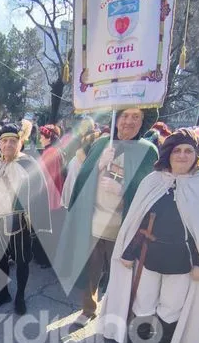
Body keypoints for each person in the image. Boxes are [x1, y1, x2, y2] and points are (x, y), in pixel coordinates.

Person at [99, 129, 199, 343]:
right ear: (168, 153)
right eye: (177, 150)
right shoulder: (153, 180)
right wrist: (128, 253)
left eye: (188, 151)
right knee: (143, 302)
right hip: (149, 256)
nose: (182, 156)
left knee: (171, 307)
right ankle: (139, 342)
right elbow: (138, 221)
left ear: (196, 155)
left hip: (181, 261)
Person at [55, 107, 159, 327]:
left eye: (136, 117)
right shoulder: (102, 144)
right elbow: (82, 180)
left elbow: (151, 191)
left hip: (123, 228)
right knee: (91, 270)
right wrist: (100, 164)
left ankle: (120, 316)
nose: (129, 121)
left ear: (143, 122)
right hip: (94, 222)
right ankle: (88, 309)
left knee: (122, 276)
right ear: (116, 119)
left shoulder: (148, 150)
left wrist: (122, 191)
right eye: (125, 116)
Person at [0, 121, 52, 315]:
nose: (9, 145)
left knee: (22, 262)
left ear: (20, 143)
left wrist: (40, 225)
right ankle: (3, 293)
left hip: (20, 223)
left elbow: (40, 195)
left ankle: (20, 296)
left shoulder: (29, 165)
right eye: (5, 141)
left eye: (13, 141)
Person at [34, 124, 64, 267]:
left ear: (48, 138)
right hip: (53, 195)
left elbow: (47, 178)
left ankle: (45, 259)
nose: (40, 138)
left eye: (42, 136)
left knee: (46, 229)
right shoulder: (55, 150)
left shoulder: (50, 152)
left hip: (48, 196)